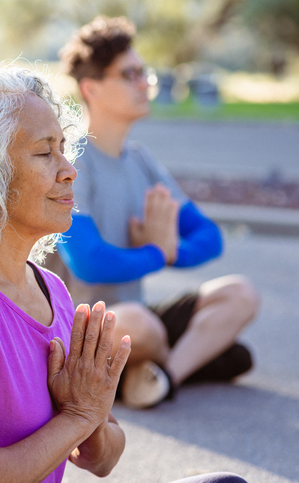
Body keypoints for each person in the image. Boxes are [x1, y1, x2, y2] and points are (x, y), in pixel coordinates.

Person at [0, 65, 246, 483]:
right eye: (45, 152)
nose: (69, 169)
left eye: (64, 148)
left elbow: (101, 459)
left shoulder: (50, 291)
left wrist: (91, 411)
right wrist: (79, 415)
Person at [44, 16, 259, 409]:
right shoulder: (71, 161)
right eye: (131, 74)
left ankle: (164, 377)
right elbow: (88, 262)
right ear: (91, 87)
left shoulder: (141, 161)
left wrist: (170, 251)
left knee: (240, 294)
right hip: (81, 329)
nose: (145, 83)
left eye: (145, 73)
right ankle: (185, 362)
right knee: (141, 325)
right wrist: (157, 253)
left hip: (136, 319)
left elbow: (209, 236)